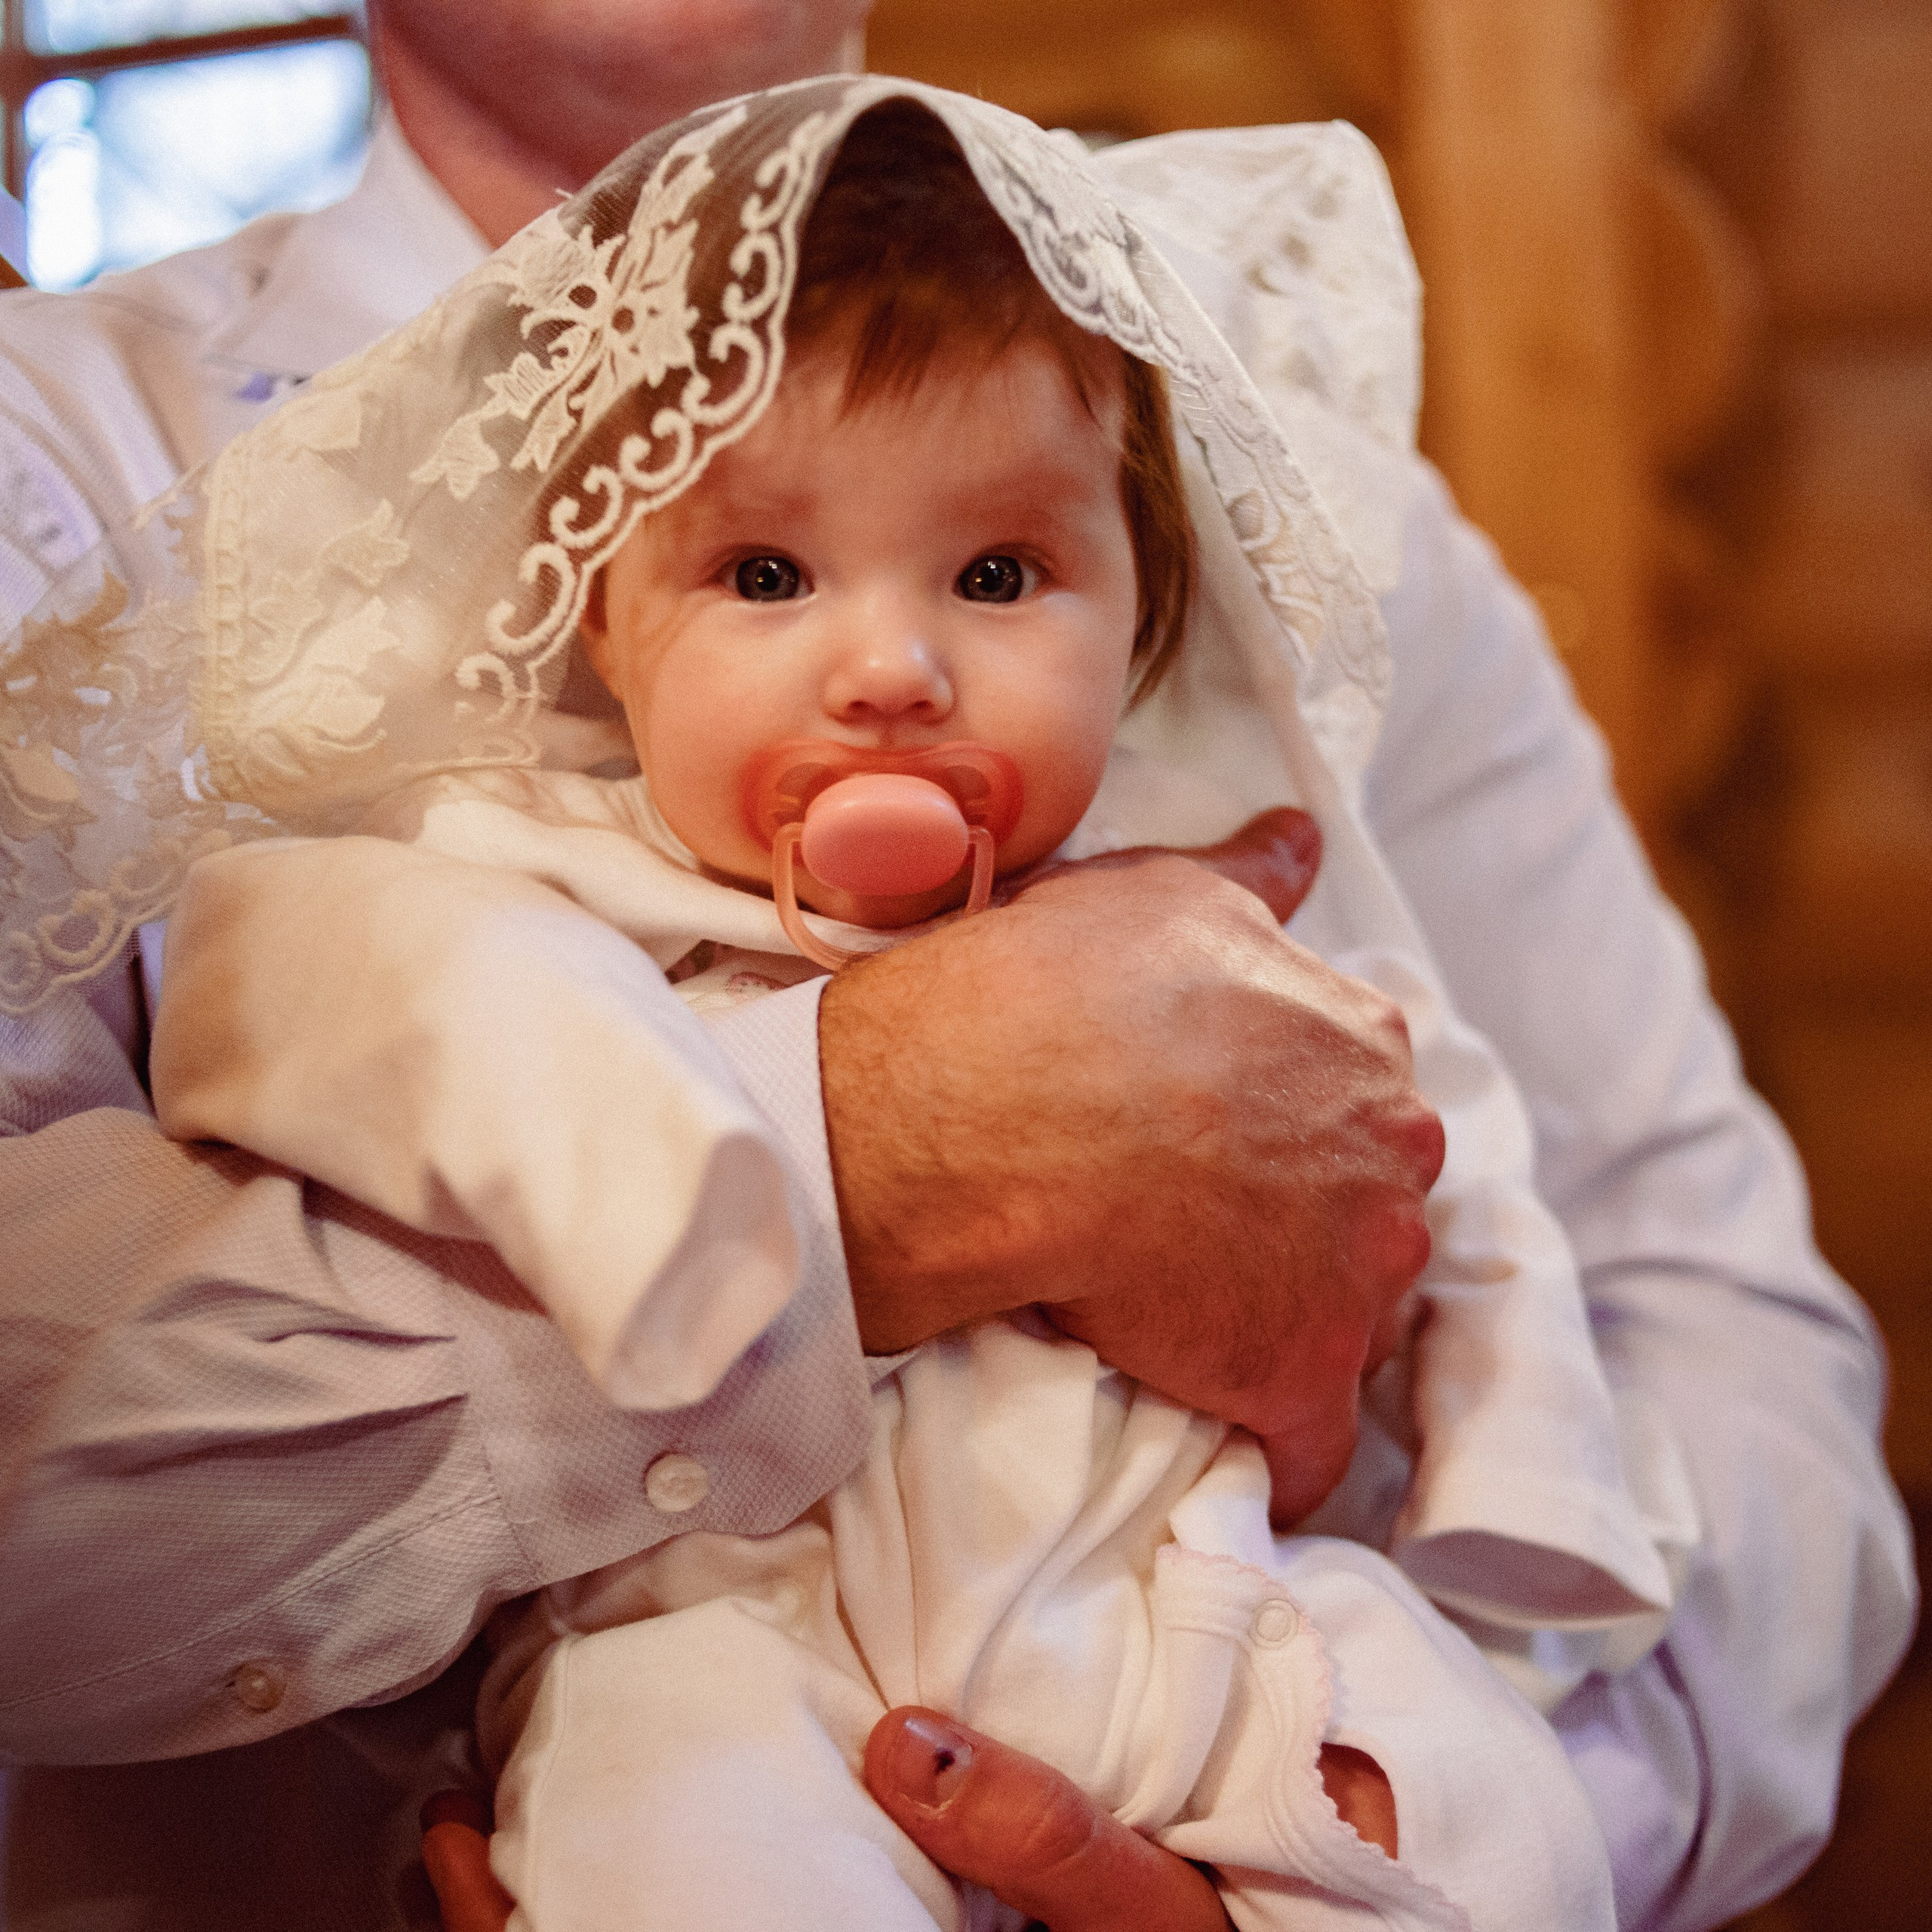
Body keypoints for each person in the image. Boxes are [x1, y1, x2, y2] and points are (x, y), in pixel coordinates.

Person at [0, 4, 1912, 1928]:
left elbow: (1705, 1317)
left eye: (997, 577)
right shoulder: (54, 474)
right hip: (711, 1651)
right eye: (761, 576)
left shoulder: (1299, 517)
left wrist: (1477, 1760)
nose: (893, 668)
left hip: (1201, 1600)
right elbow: (360, 1017)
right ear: (604, 612)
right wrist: (855, 1164)